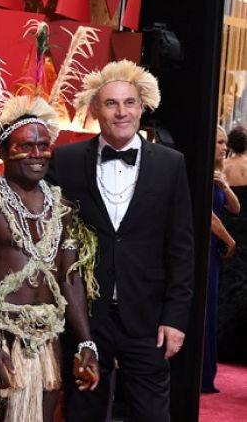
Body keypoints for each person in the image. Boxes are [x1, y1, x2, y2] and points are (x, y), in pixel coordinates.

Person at [48, 60, 194, 421]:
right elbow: (26, 189)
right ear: (95, 109)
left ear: (142, 108)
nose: (121, 112)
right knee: (84, 410)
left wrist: (175, 318)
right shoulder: (65, 160)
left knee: (151, 414)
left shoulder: (171, 164)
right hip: (86, 315)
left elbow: (181, 247)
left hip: (148, 315)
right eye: (111, 103)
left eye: (129, 103)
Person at [0, 96, 100, 422]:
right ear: (2, 151)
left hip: (47, 340)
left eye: (44, 145)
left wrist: (86, 341)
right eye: (26, 146)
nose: (37, 153)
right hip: (0, 335)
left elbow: (69, 279)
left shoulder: (62, 207)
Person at [202, 126, 240, 393]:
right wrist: (229, 239)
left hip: (215, 247)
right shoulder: (202, 169)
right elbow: (208, 216)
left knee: (212, 308)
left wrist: (225, 186)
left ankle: (207, 373)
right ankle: (200, 373)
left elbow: (235, 208)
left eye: (226, 142)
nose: (224, 146)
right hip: (205, 246)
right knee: (204, 308)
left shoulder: (220, 171)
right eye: (219, 141)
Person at [218, 126, 247, 365]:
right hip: (242, 233)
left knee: (224, 284)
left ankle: (220, 343)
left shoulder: (223, 168)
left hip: (227, 229)